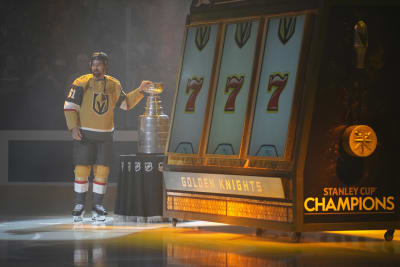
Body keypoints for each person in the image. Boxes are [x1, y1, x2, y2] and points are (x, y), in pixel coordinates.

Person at [64, 52, 151, 222]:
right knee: (81, 169)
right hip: (84, 133)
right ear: (90, 65)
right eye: (93, 64)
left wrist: (140, 91)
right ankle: (79, 205)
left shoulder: (113, 84)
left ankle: (98, 206)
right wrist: (73, 127)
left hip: (105, 134)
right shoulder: (81, 82)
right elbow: (70, 106)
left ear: (106, 66)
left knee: (102, 171)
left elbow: (125, 104)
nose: (96, 67)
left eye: (99, 64)